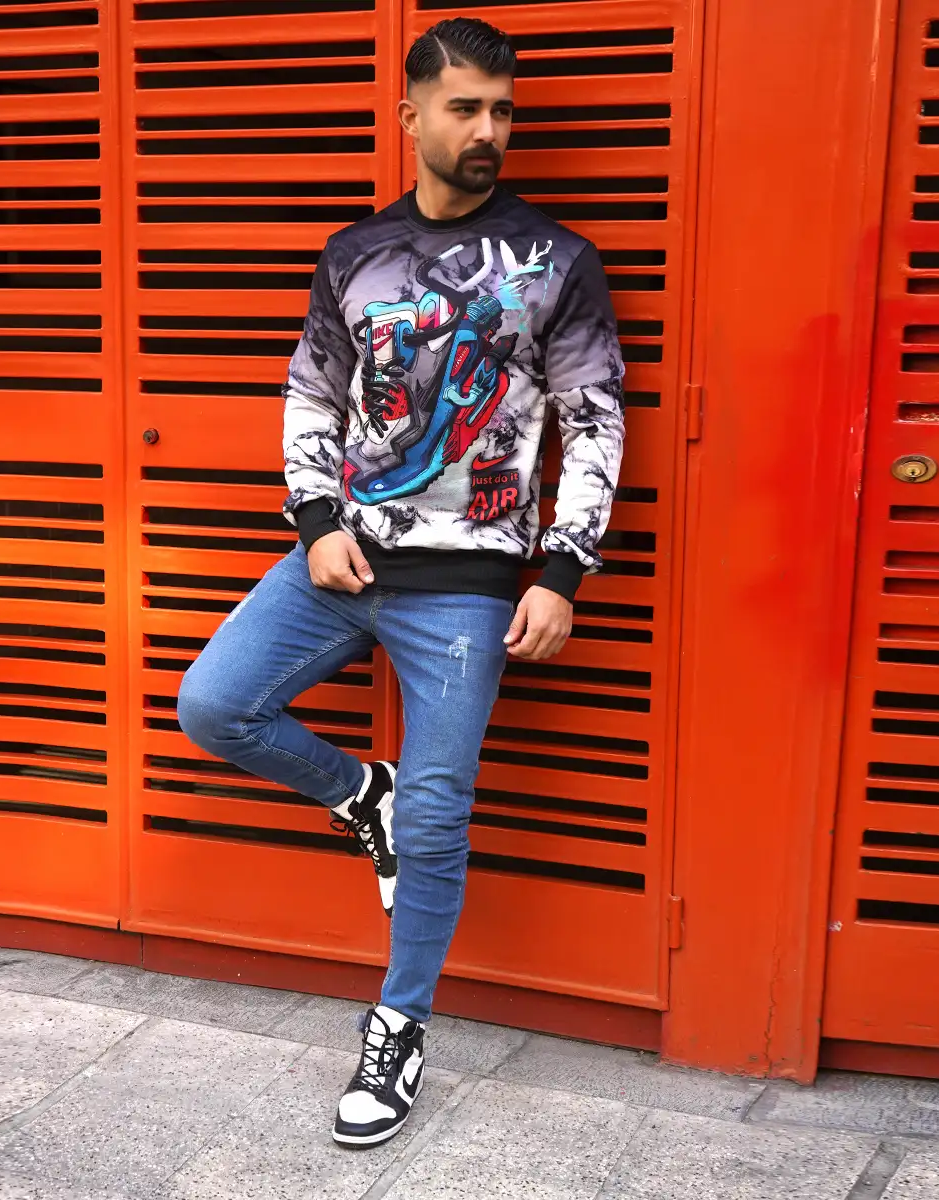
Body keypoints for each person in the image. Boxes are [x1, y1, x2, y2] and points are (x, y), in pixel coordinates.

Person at [177, 16, 625, 1148]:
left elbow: (595, 421)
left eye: (503, 111)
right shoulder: (355, 253)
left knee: (437, 813)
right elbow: (312, 394)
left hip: (470, 582)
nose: (489, 130)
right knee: (214, 705)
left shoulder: (558, 262)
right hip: (343, 559)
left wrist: (562, 571)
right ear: (411, 115)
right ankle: (354, 793)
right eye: (466, 108)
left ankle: (400, 1022)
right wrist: (315, 519)